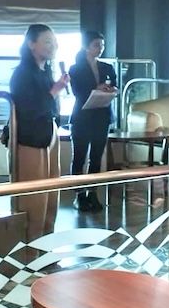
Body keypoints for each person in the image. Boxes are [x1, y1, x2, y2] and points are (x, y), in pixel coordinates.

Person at [10, 24, 69, 242]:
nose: (54, 46)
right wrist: (55, 90)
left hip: (48, 135)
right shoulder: (22, 74)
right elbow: (29, 110)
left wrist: (57, 90)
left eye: (55, 42)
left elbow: (50, 107)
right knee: (34, 199)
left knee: (51, 194)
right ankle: (29, 251)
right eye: (48, 41)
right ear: (31, 44)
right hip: (30, 141)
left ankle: (46, 246)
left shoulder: (46, 72)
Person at [68, 30, 117, 212]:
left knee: (96, 157)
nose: (100, 49)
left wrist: (111, 90)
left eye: (102, 45)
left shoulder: (107, 67)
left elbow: (114, 84)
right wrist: (95, 88)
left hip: (102, 116)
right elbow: (77, 92)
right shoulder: (75, 68)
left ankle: (93, 193)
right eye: (97, 45)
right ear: (86, 46)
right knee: (79, 157)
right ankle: (79, 195)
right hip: (82, 117)